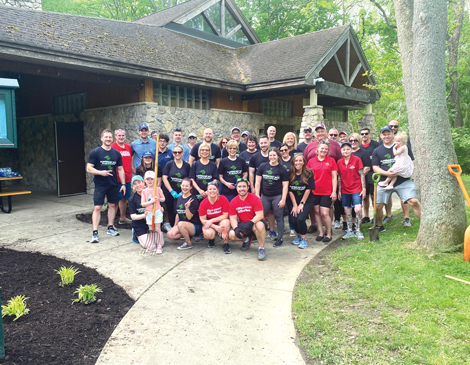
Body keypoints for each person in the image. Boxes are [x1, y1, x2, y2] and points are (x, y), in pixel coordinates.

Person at [372, 126, 421, 232]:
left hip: (402, 179)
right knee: (378, 205)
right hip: (384, 181)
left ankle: (425, 225)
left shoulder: (403, 146)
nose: (386, 136)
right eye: (384, 134)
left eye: (388, 133)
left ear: (393, 134)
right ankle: (380, 226)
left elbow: (411, 162)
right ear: (381, 136)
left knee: (414, 201)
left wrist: (401, 172)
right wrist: (387, 173)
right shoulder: (377, 150)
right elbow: (375, 167)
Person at [86, 129, 125, 243]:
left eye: (110, 137)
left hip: (113, 184)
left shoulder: (116, 153)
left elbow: (120, 169)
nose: (108, 139)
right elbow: (89, 168)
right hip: (100, 185)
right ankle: (95, 233)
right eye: (106, 137)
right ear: (102, 139)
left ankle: (110, 227)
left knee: (113, 205)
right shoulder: (96, 152)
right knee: (97, 207)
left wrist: (123, 184)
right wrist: (100, 172)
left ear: (112, 139)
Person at [383, 120, 416, 226]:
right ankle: (388, 215)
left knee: (405, 197)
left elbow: (411, 158)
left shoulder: (405, 143)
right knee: (387, 196)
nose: (393, 128)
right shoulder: (382, 141)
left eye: (395, 126)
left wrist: (411, 171)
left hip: (402, 173)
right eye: (390, 126)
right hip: (389, 172)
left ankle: (406, 217)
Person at [255, 148, 289, 247]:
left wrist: (283, 199)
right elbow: (257, 182)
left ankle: (280, 238)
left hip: (277, 196)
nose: (272, 157)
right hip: (265, 196)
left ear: (278, 156)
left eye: (274, 155)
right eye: (271, 155)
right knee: (260, 216)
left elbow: (285, 186)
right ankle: (257, 235)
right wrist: (257, 194)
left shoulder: (282, 169)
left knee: (279, 217)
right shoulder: (263, 166)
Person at [228, 178, 268, 261]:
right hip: (243, 224)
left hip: (255, 222)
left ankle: (261, 249)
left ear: (248, 187)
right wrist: (235, 228)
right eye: (239, 187)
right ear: (236, 188)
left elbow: (260, 215)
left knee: (260, 225)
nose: (242, 189)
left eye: (244, 186)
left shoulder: (255, 198)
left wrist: (251, 222)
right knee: (231, 235)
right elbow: (233, 218)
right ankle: (246, 239)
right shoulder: (233, 201)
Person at [306, 141, 337, 243]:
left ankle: (328, 233)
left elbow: (334, 177)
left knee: (324, 213)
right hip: (314, 191)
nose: (324, 150)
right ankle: (320, 232)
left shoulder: (331, 161)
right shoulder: (311, 161)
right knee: (317, 212)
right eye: (322, 148)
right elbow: (308, 177)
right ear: (317, 149)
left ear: (328, 151)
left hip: (327, 191)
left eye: (326, 149)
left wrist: (334, 191)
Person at [337, 142, 366, 240]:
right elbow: (339, 177)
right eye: (344, 149)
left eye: (348, 149)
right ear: (341, 151)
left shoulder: (357, 160)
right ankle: (350, 230)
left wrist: (364, 188)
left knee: (358, 209)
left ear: (351, 150)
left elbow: (362, 174)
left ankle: (358, 230)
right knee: (347, 211)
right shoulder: (339, 162)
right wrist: (339, 190)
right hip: (345, 190)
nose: (346, 151)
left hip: (356, 188)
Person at [288, 154, 315, 249]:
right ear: (293, 162)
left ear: (303, 162)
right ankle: (299, 236)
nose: (298, 163)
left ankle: (304, 239)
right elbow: (290, 190)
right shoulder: (290, 173)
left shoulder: (309, 173)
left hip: (306, 200)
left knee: (300, 218)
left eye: (300, 161)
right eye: (296, 161)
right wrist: (295, 205)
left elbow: (308, 189)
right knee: (293, 219)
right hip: (293, 200)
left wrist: (301, 204)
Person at [167, 178, 202, 250]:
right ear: (180, 186)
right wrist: (174, 226)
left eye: (187, 186)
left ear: (190, 187)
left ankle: (188, 243)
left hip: (195, 226)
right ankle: (186, 234)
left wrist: (187, 208)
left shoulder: (193, 199)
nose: (184, 188)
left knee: (181, 224)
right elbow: (178, 214)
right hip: (182, 225)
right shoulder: (179, 198)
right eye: (183, 185)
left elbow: (189, 217)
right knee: (170, 234)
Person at [162, 145, 191, 231]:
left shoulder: (186, 165)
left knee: (180, 210)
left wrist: (183, 192)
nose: (177, 154)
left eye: (179, 152)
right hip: (170, 191)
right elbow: (164, 178)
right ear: (173, 153)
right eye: (175, 152)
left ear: (182, 153)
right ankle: (173, 229)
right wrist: (171, 191)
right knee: (170, 210)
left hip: (183, 192)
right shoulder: (169, 164)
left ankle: (182, 229)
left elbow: (189, 179)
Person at [129, 175, 160, 251]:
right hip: (140, 225)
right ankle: (136, 234)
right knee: (149, 245)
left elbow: (159, 206)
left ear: (143, 182)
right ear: (133, 186)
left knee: (160, 244)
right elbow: (133, 216)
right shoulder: (132, 199)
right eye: (135, 184)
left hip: (152, 223)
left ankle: (149, 236)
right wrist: (144, 215)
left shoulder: (152, 192)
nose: (138, 185)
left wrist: (160, 209)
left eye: (139, 182)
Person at [198, 182, 231, 253]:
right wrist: (214, 226)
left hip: (220, 221)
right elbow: (202, 220)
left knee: (226, 222)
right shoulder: (203, 203)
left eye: (214, 189)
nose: (212, 191)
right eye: (210, 189)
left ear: (218, 190)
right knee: (208, 234)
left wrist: (212, 220)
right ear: (207, 191)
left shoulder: (223, 199)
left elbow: (225, 215)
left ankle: (226, 243)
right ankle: (211, 239)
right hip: (209, 224)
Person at [110, 128, 132, 225]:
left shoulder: (128, 147)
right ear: (115, 136)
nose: (121, 137)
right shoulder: (112, 147)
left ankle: (122, 218)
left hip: (127, 177)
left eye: (123, 135)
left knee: (124, 198)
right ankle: (111, 223)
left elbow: (130, 159)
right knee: (114, 200)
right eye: (119, 135)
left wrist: (132, 168)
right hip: (116, 178)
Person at [140, 171, 165, 253]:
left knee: (157, 228)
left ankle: (159, 245)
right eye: (148, 179)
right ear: (145, 181)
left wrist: (158, 199)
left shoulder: (158, 189)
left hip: (157, 211)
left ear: (155, 180)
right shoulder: (144, 191)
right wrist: (151, 202)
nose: (150, 181)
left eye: (152, 179)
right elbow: (143, 204)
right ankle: (152, 245)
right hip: (149, 212)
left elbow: (163, 199)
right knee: (151, 229)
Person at [359, 127, 380, 224]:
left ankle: (375, 215)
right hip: (362, 175)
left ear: (369, 134)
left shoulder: (375, 145)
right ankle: (366, 216)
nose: (364, 135)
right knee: (364, 196)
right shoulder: (359, 146)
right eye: (362, 134)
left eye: (366, 133)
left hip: (373, 174)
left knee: (373, 196)